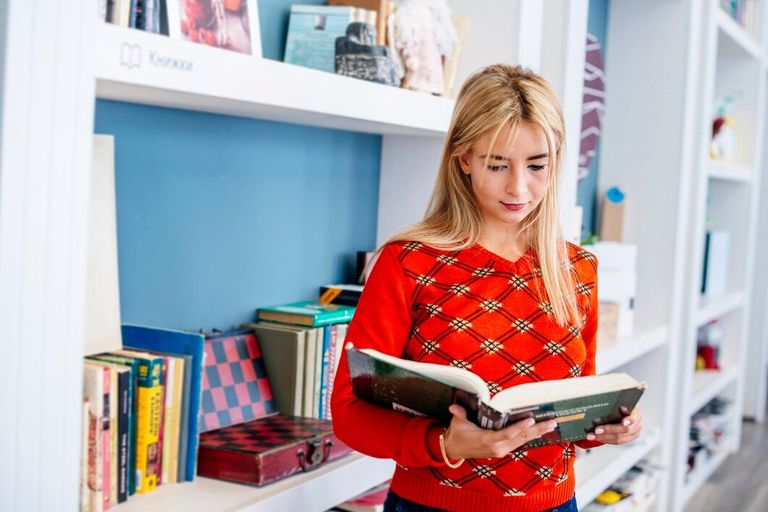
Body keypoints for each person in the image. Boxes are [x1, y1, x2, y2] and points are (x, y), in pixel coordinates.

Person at [331, 64, 643, 512]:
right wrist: (444, 443)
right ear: (464, 160)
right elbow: (348, 413)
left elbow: (576, 411)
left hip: (554, 504)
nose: (519, 187)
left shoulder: (577, 269)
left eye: (538, 166)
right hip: (433, 506)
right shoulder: (407, 262)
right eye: (497, 165)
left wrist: (612, 426)